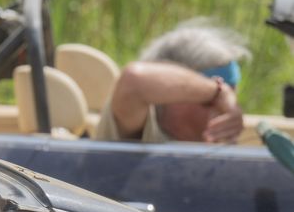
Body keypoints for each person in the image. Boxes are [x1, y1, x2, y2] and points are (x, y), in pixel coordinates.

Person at [94, 18, 251, 144]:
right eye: (209, 102)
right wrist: (217, 92)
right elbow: (134, 79)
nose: (226, 111)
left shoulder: (211, 141)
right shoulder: (144, 122)